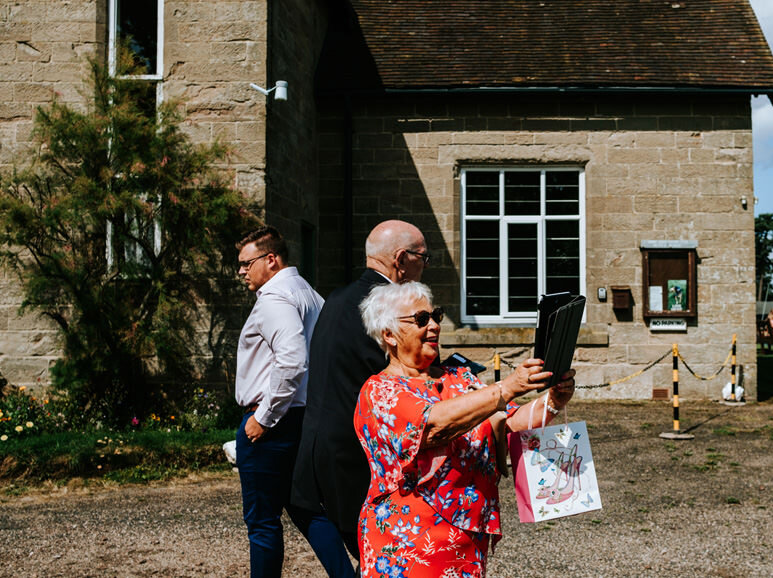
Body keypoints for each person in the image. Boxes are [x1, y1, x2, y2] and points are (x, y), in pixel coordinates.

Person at [354, 281, 576, 577]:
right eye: (421, 319)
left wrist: (553, 401)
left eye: (436, 316)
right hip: (409, 543)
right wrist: (507, 387)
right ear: (389, 334)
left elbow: (508, 422)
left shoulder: (458, 378)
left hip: (468, 540)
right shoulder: (380, 391)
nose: (433, 325)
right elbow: (433, 426)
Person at [291, 220, 430, 562]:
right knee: (388, 556)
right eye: (424, 257)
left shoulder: (337, 297)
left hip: (317, 446)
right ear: (401, 258)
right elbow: (412, 379)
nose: (426, 266)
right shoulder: (391, 310)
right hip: (359, 457)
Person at [233, 226, 349, 578]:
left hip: (272, 423)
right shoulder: (310, 294)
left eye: (245, 263)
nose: (240, 271)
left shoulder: (274, 298)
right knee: (306, 508)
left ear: (271, 259)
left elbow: (292, 359)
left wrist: (264, 417)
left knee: (262, 521)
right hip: (303, 418)